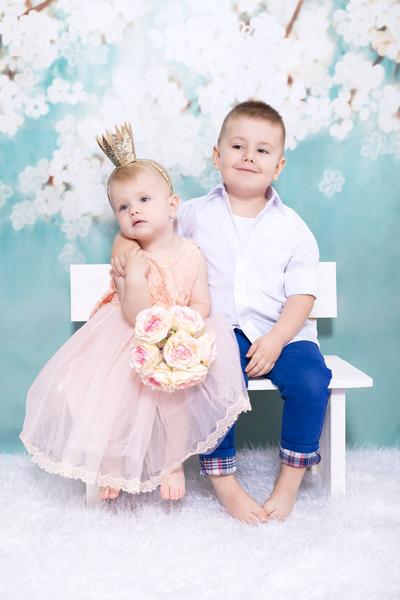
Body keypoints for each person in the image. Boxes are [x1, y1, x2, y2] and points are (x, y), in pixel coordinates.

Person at [112, 101, 332, 522]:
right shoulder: (192, 213)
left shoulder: (293, 228)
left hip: (282, 333)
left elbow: (303, 295)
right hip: (219, 330)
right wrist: (122, 243)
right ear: (217, 156)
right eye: (237, 146)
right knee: (209, 376)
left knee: (311, 380)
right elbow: (146, 228)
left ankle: (289, 482)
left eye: (262, 150)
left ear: (278, 166)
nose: (248, 157)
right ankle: (224, 480)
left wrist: (277, 339)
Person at [20, 123, 250, 509]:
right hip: (128, 333)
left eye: (144, 199)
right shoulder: (128, 258)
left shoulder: (192, 253)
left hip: (176, 334)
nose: (134, 210)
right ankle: (111, 464)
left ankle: (172, 464)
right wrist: (137, 275)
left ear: (172, 206)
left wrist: (187, 325)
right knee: (111, 398)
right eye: (123, 207)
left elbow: (202, 301)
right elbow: (133, 313)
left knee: (177, 397)